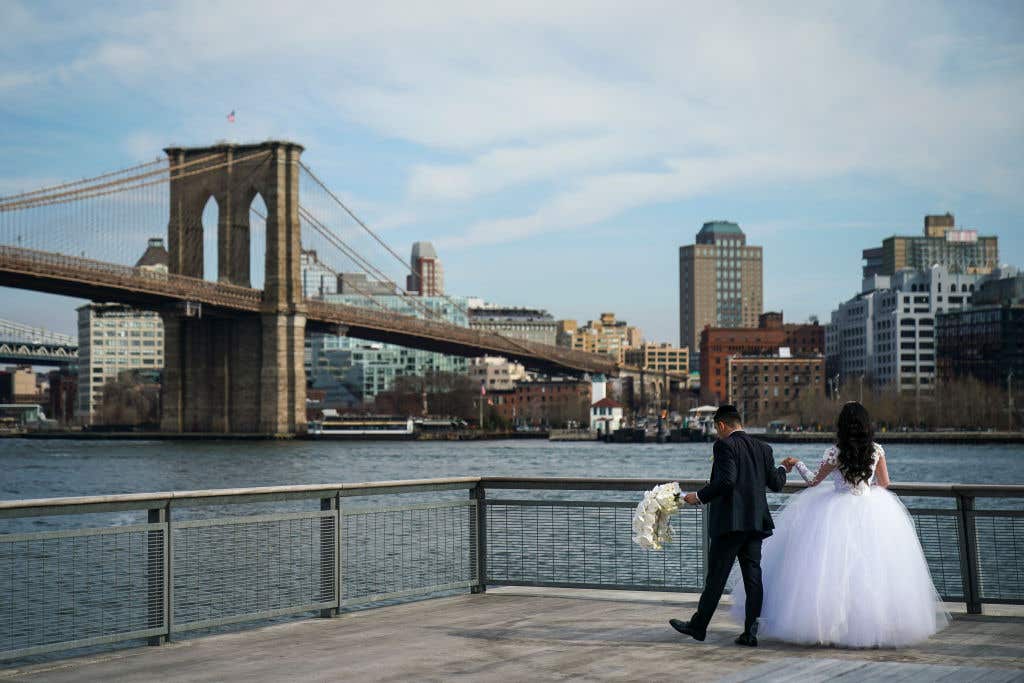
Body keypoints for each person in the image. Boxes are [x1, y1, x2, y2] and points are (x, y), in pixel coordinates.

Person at [728, 401, 950, 647]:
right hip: (871, 509)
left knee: (831, 572)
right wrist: (867, 489)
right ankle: (872, 627)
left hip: (835, 511)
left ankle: (833, 627)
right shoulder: (877, 450)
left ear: (842, 425)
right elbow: (885, 482)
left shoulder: (835, 453)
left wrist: (796, 463)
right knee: (874, 571)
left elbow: (813, 481)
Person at [669, 404, 786, 646]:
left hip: (730, 524)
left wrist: (699, 496)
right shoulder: (764, 448)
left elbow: (727, 480)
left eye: (716, 428)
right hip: (755, 523)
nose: (716, 433)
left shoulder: (724, 445)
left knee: (716, 577)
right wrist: (784, 468)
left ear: (722, 425)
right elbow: (776, 483)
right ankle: (750, 632)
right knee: (753, 577)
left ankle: (698, 626)